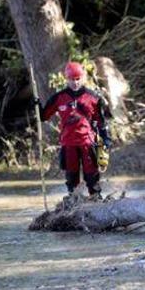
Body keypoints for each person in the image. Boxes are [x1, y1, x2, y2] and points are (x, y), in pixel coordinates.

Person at [40, 62, 112, 197]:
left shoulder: (93, 97)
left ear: (83, 78)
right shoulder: (58, 98)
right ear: (66, 79)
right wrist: (38, 106)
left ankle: (95, 198)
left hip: (87, 142)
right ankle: (74, 199)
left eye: (78, 79)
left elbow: (101, 122)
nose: (75, 82)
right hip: (68, 143)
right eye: (72, 79)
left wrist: (106, 140)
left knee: (92, 175)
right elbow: (44, 116)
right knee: (71, 177)